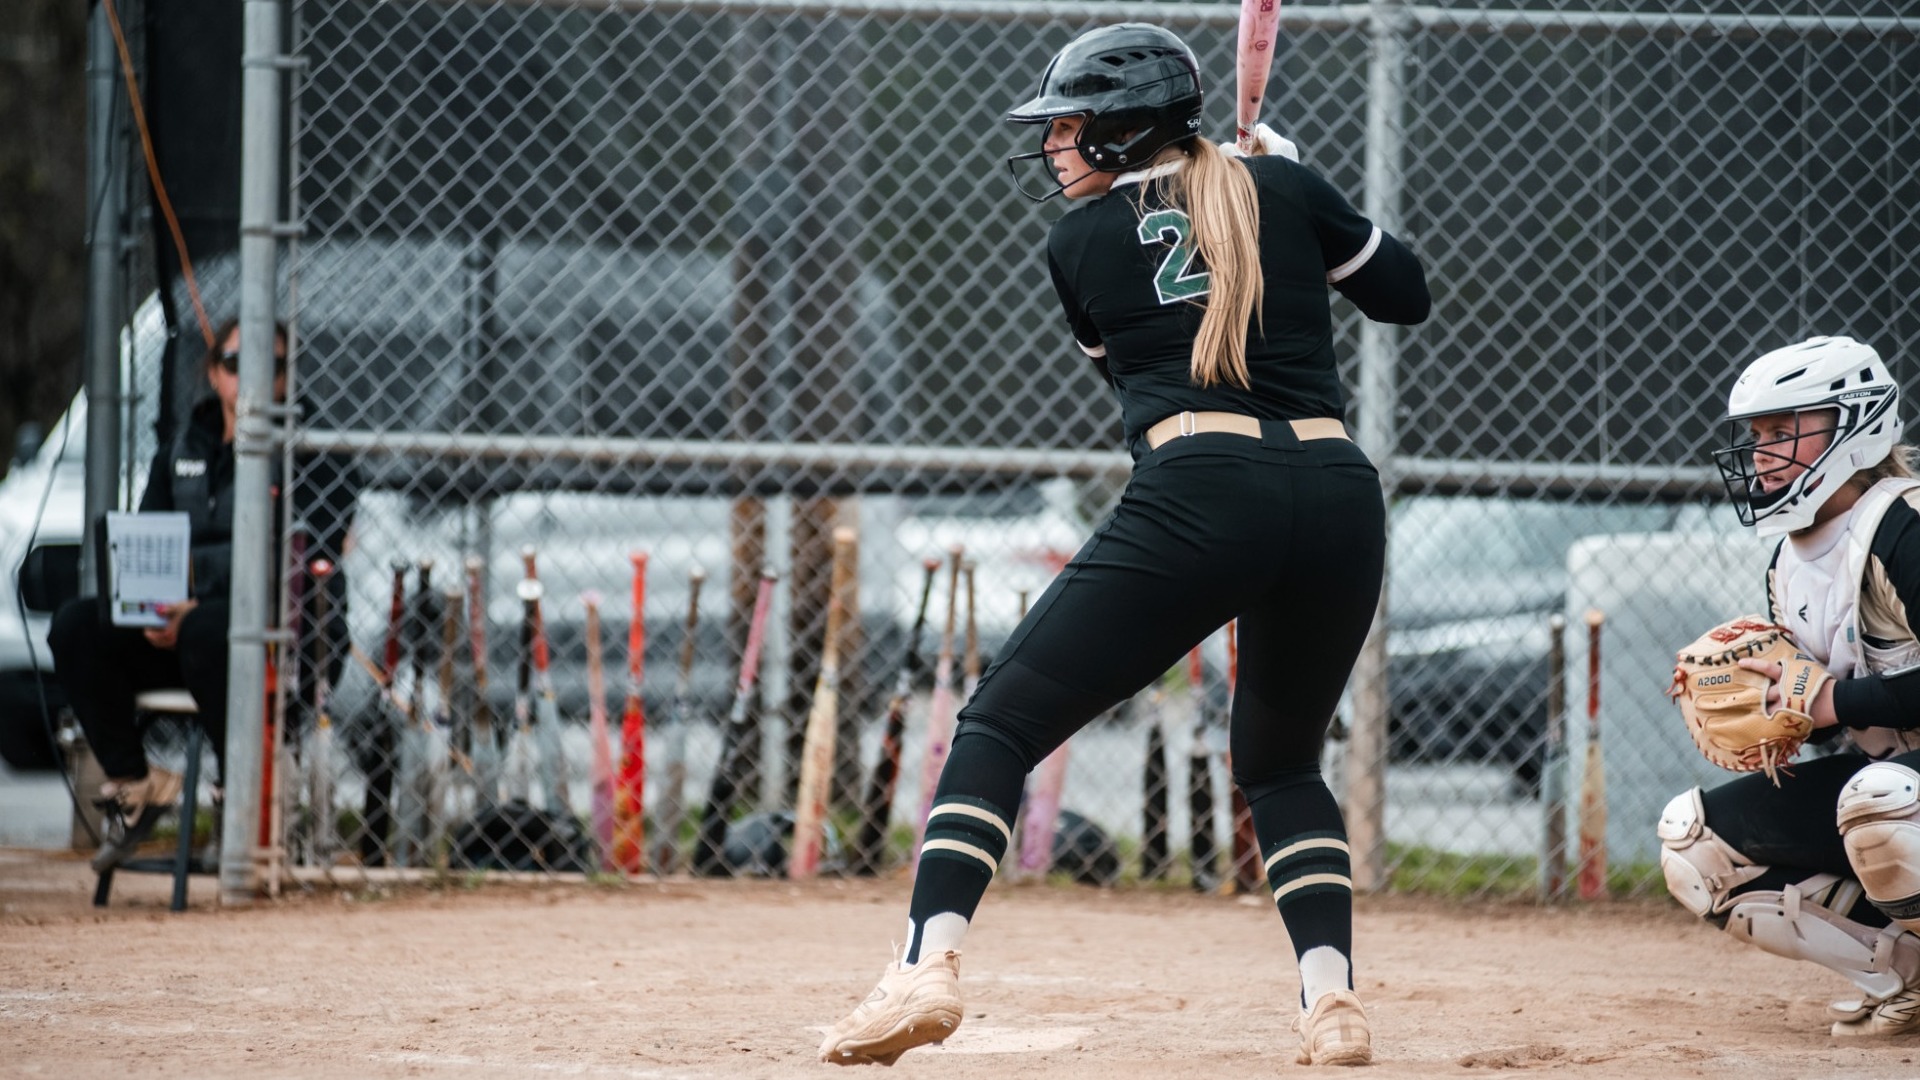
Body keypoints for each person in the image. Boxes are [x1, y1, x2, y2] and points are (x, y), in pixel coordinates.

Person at [819, 23, 1429, 1068]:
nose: (1055, 145)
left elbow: (1137, 365)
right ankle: (1333, 1006)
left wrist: (1259, 187)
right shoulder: (1281, 189)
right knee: (1282, 764)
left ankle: (922, 967)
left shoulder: (1079, 241)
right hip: (1339, 494)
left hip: (1199, 484)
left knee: (1000, 724)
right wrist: (1292, 182)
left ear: (1119, 128)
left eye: (1068, 126)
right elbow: (1404, 296)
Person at [1658, 334, 1920, 1037]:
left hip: (1902, 793)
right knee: (1695, 845)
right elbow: (1829, 711)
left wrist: (1832, 701)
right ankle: (1906, 971)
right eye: (1757, 434)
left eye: (1784, 431)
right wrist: (1771, 708)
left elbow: (1845, 699)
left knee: (1882, 798)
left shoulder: (1904, 525)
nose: (1763, 450)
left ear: (1855, 427)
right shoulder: (1787, 561)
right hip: (1897, 781)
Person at [48, 317, 359, 868]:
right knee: (75, 625)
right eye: (237, 363)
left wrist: (194, 592)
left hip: (275, 634)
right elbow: (148, 536)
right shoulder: (182, 446)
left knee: (208, 627)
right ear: (215, 373)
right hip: (181, 628)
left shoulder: (316, 452)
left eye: (273, 363)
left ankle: (240, 798)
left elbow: (299, 556)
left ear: (288, 377)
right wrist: (149, 604)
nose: (253, 376)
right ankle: (136, 786)